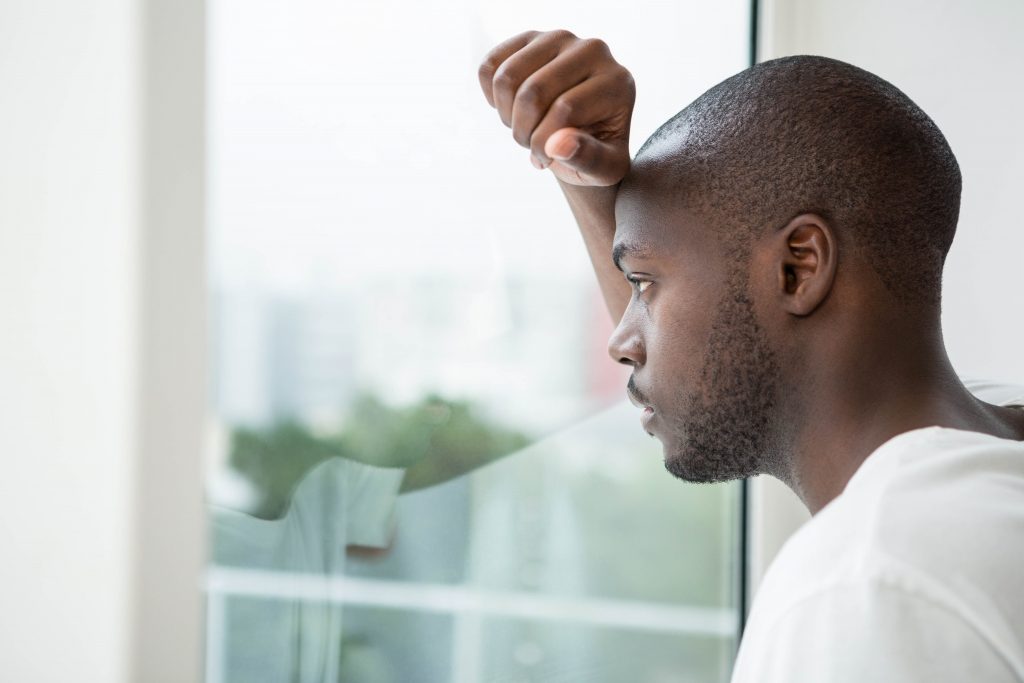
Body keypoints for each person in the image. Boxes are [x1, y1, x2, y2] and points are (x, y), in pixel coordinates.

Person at [478, 29, 1024, 681]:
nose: (619, 342)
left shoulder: (870, 584)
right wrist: (593, 193)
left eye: (646, 285)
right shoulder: (987, 455)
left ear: (799, 268)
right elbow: (698, 364)